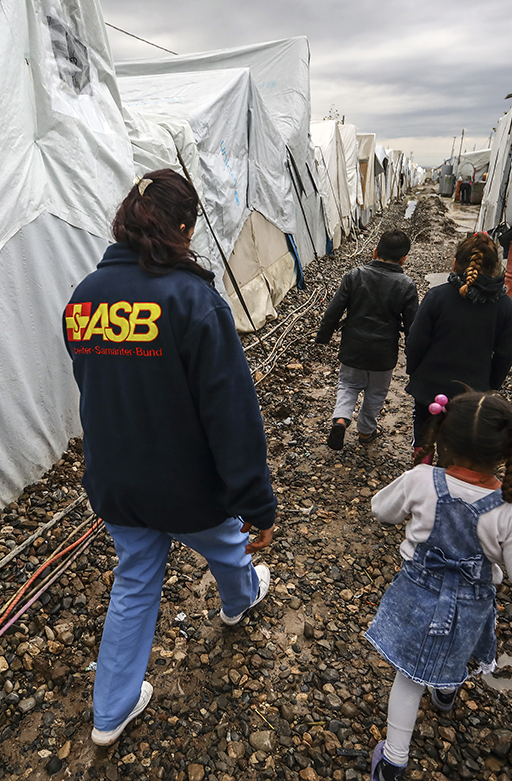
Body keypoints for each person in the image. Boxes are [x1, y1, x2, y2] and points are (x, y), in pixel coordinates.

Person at [63, 169, 276, 747]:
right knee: (230, 544)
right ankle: (240, 602)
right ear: (183, 228)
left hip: (117, 481)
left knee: (135, 582)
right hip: (187, 485)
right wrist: (256, 500)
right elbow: (230, 413)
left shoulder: (83, 297)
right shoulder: (193, 300)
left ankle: (110, 712)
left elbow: (98, 386)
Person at [365, 391, 512, 780]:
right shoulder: (511, 509)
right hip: (470, 604)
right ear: (506, 451)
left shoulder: (420, 480)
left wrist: (420, 475)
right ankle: (445, 692)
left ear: (442, 433)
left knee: (409, 677)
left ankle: (394, 760)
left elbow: (381, 510)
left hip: (415, 593)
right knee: (455, 647)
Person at [405, 232, 512, 452]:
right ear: (495, 268)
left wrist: (414, 371)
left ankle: (422, 472)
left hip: (429, 386)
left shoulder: (437, 297)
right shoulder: (505, 306)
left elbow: (416, 340)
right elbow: (506, 354)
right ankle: (450, 476)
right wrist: (490, 384)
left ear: (455, 263)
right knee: (457, 443)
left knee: (425, 436)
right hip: (472, 393)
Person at [314, 230, 419, 449]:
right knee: (376, 393)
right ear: (403, 259)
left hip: (353, 346)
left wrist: (323, 336)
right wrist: (414, 354)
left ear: (374, 252)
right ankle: (366, 432)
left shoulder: (354, 275)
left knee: (348, 385)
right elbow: (412, 325)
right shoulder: (406, 285)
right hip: (384, 353)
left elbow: (334, 310)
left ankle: (341, 420)